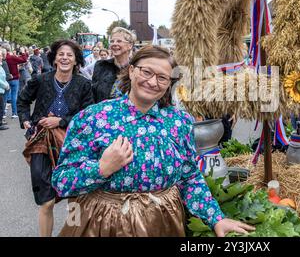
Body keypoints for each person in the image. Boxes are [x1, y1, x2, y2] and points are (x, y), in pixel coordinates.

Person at [51, 45, 254, 237]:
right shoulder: (93, 118)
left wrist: (216, 219)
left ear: (169, 84)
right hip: (105, 223)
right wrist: (102, 168)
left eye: (162, 78)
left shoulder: (179, 122)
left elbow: (189, 176)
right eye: (146, 72)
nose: (153, 82)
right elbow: (61, 182)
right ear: (131, 71)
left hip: (163, 222)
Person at [17, 39, 93, 237]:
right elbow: (23, 100)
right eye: (61, 54)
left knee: (74, 198)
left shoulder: (84, 84)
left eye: (70, 55)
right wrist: (25, 120)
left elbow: (87, 115)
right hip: (40, 144)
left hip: (72, 145)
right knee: (46, 200)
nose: (65, 58)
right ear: (55, 58)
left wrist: (60, 121)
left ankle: (73, 234)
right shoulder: (40, 80)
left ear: (77, 60)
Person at [92, 27, 135, 103]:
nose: (114, 44)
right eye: (112, 41)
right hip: (102, 112)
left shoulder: (136, 68)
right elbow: (93, 93)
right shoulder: (101, 65)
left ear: (130, 45)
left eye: (119, 41)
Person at [5, 44, 28, 119]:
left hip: (5, 79)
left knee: (4, 96)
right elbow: (24, 59)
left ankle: (3, 113)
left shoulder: (4, 58)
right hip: (14, 78)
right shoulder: (11, 57)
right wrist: (23, 52)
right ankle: (14, 113)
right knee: (14, 96)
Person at [0, 50, 10, 130]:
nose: (1, 57)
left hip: (2, 89)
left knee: (2, 106)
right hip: (1, 89)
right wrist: (6, 85)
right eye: (0, 56)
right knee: (1, 107)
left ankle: (0, 122)